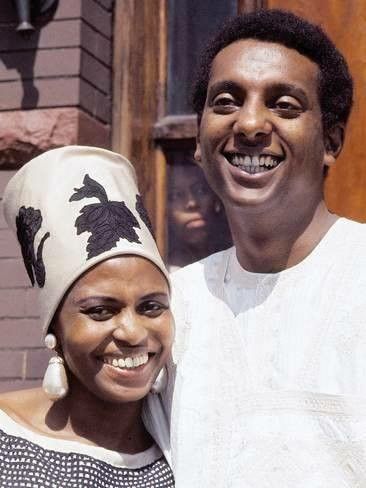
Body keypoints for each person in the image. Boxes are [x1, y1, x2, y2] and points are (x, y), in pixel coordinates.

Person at [162, 9, 366, 487]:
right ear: (197, 139)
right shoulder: (173, 306)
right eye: (227, 101)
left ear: (331, 141)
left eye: (285, 106)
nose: (250, 124)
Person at [0, 146, 174, 487]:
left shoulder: (182, 453)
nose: (132, 332)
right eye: (101, 311)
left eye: (151, 306)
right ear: (55, 328)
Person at [167, 158, 231, 270]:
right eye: (176, 195)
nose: (192, 203)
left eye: (200, 190)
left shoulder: (237, 261)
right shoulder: (160, 275)